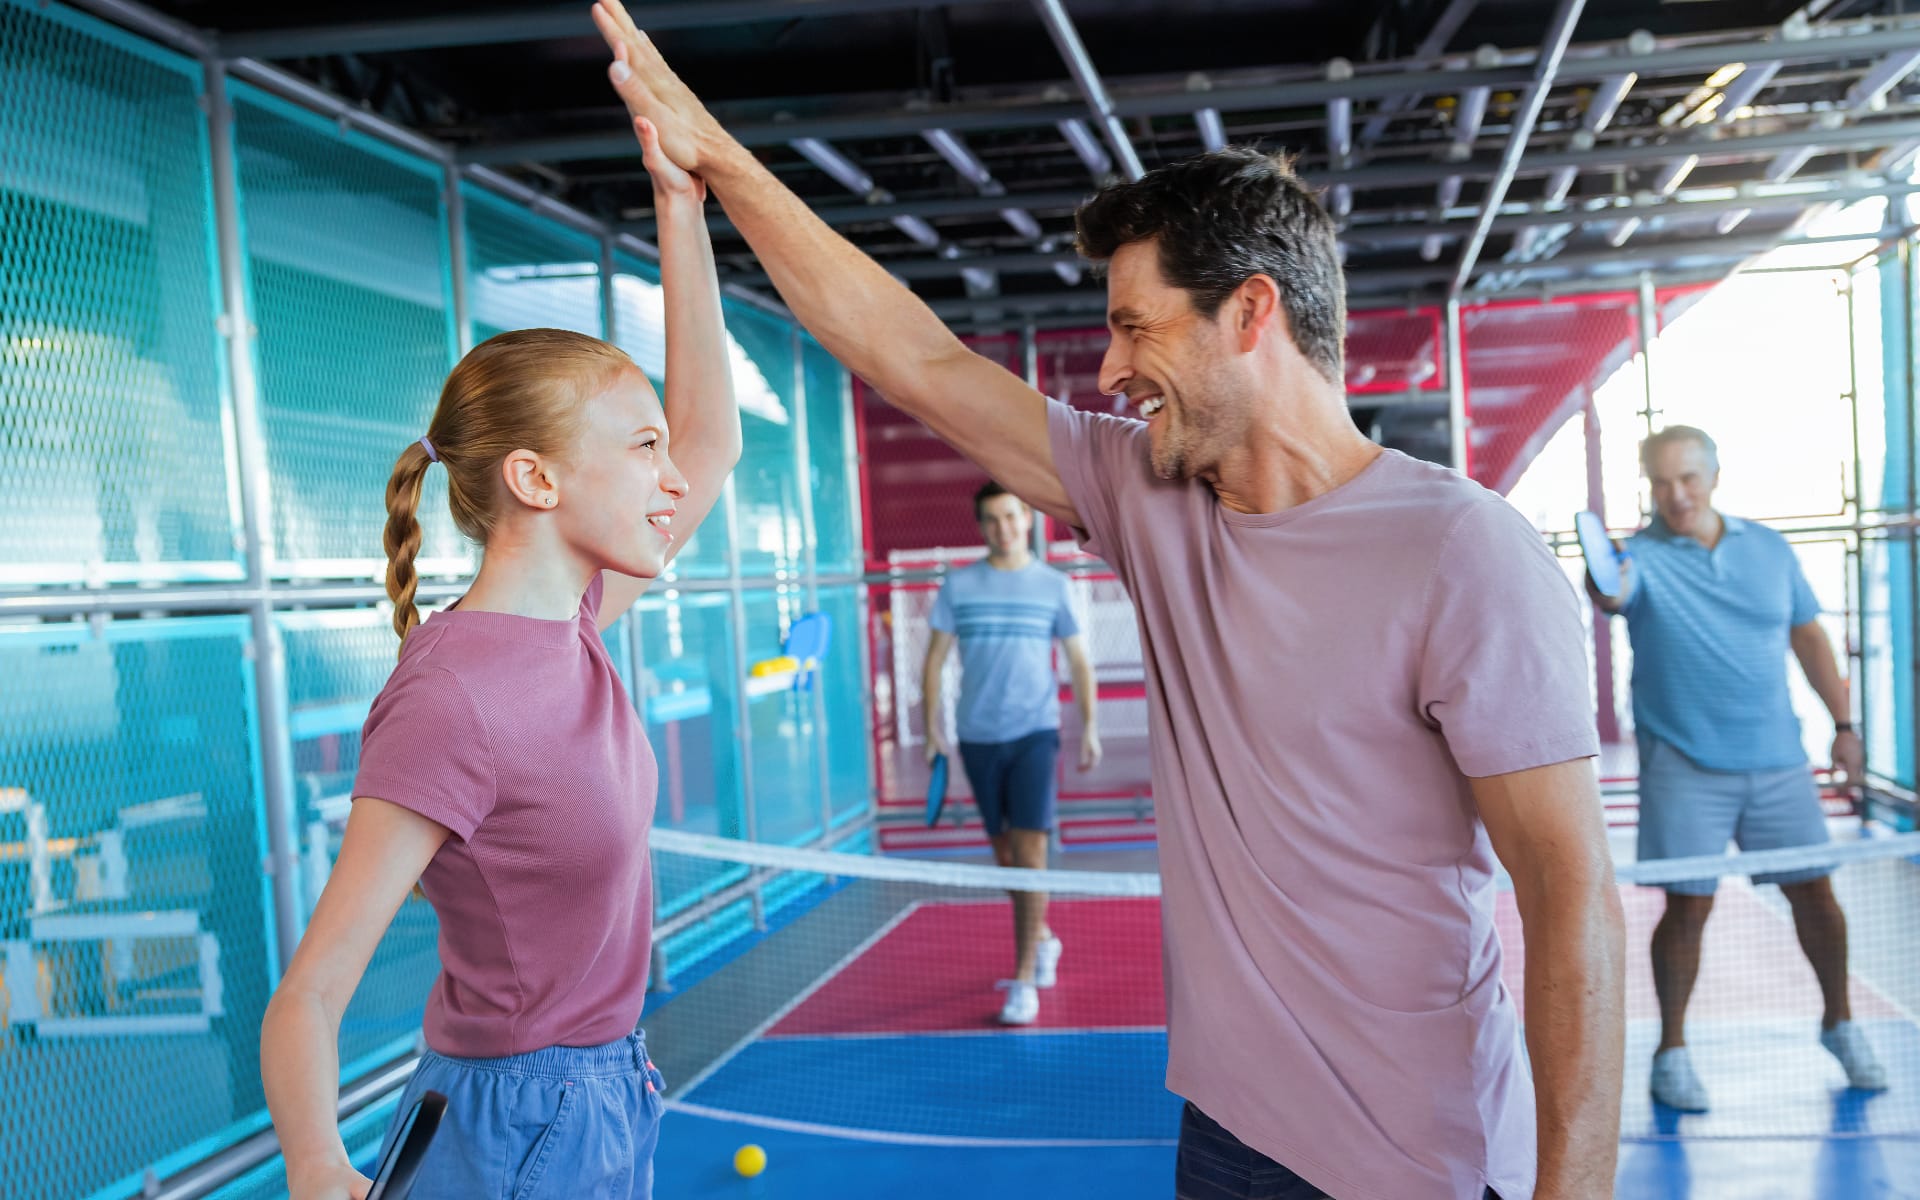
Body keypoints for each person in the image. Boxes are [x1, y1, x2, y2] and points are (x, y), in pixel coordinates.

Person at [590, 6, 1625, 1198]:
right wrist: (713, 158)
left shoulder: (1465, 552)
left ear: (1250, 313)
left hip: (1425, 1164)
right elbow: (912, 355)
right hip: (1230, 1141)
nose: (1111, 367)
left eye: (1137, 326)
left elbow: (1567, 893)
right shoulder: (1149, 494)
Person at [259, 115, 740, 1200]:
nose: (674, 480)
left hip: (608, 1089)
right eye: (641, 447)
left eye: (662, 448)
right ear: (535, 480)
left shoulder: (571, 625)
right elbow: (311, 993)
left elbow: (714, 443)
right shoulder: (454, 699)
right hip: (517, 1124)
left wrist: (679, 204)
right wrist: (312, 1162)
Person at [1590, 424, 1886, 1113]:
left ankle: (1841, 1026)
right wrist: (1603, 578)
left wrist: (1844, 728)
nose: (1676, 494)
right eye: (1661, 482)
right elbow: (1610, 594)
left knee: (1816, 897)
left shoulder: (1770, 550)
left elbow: (1808, 635)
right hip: (1684, 766)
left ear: (1714, 477)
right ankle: (1671, 1053)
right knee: (1687, 907)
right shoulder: (1641, 561)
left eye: (1688, 478)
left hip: (1778, 761)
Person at [923, 481, 1102, 1025]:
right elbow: (933, 661)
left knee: (1029, 856)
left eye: (1011, 516)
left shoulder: (1053, 586)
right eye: (992, 520)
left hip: (1034, 734)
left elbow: (1078, 661)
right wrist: (933, 728)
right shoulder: (959, 585)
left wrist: (1089, 726)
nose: (1004, 527)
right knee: (1006, 858)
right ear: (982, 527)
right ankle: (1042, 937)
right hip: (978, 736)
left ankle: (1024, 978)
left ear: (1028, 519)